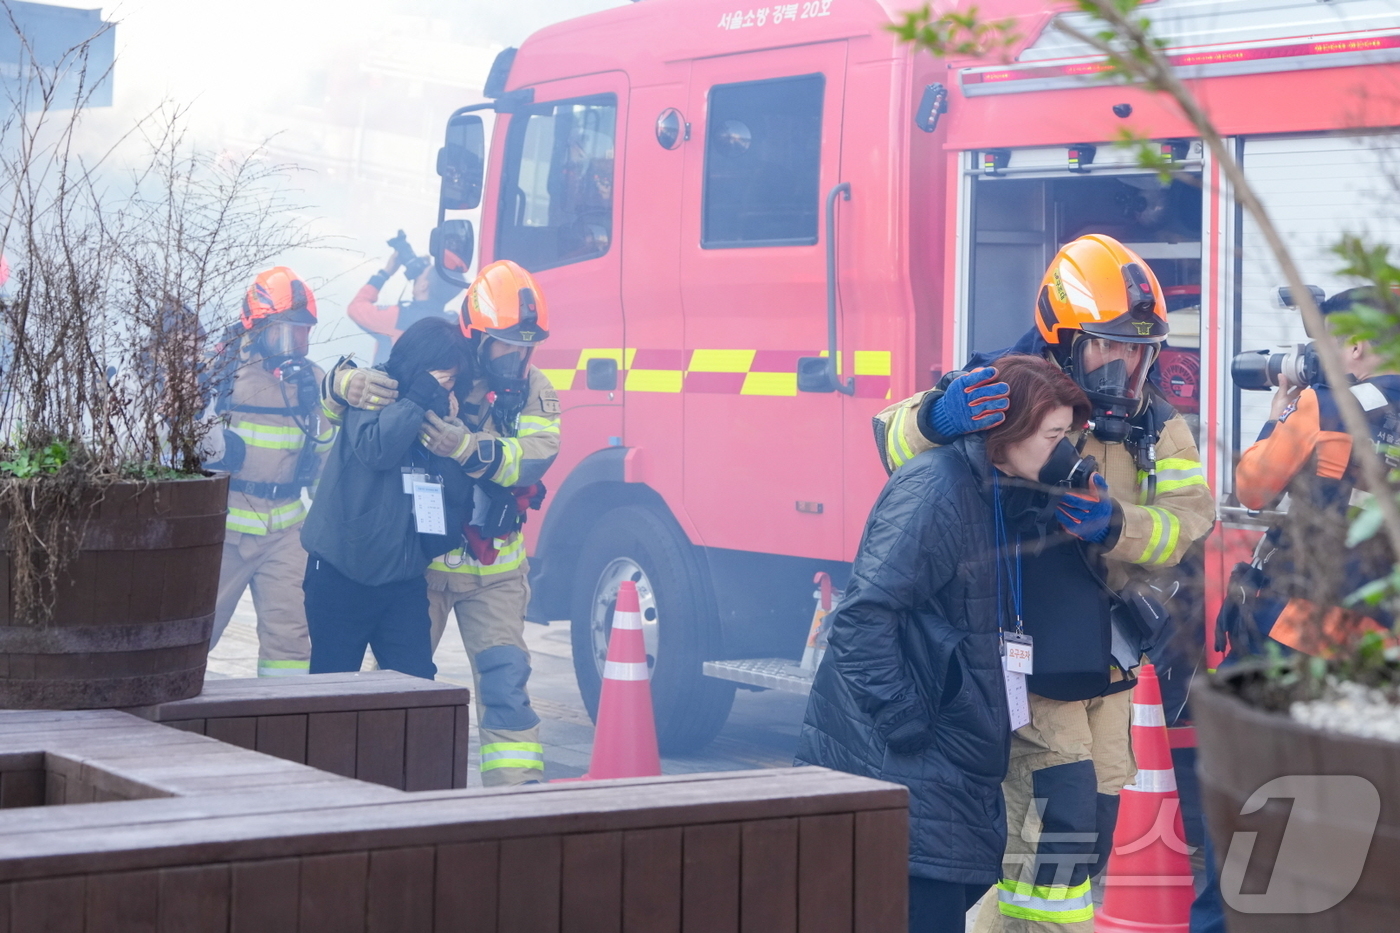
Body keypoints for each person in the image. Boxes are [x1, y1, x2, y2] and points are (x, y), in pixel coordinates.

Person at [875, 235, 1215, 933]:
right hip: (1028, 655)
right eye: (1108, 345)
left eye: (1138, 348)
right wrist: (939, 417)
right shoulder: (1008, 386)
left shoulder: (1154, 423)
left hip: (1110, 661)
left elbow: (1189, 520)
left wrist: (1117, 523)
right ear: (1063, 336)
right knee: (1056, 818)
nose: (1126, 364)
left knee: (1096, 820)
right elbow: (895, 441)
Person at [797, 355, 1093, 933]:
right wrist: (908, 720)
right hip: (907, 765)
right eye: (1054, 436)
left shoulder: (994, 493)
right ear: (1005, 432)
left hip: (948, 770)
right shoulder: (936, 490)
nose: (1065, 452)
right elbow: (862, 619)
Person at [327, 259, 561, 785]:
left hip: (495, 569)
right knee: (398, 686)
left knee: (506, 682)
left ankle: (518, 806)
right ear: (477, 336)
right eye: (506, 343)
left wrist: (467, 447)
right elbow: (366, 395)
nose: (519, 356)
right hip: (424, 567)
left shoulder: (534, 388)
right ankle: (376, 792)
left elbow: (538, 454)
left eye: (527, 345)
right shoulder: (441, 363)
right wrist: (343, 381)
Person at [1224, 286, 1400, 656]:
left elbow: (1254, 490)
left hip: (1304, 628)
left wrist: (1275, 420)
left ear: (1356, 346)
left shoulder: (1328, 406)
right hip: (1384, 643)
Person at [299, 316, 474, 679]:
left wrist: (451, 438)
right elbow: (377, 449)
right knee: (333, 687)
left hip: (402, 579)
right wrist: (418, 397)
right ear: (419, 368)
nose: (447, 388)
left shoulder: (434, 409)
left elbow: (455, 495)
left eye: (452, 381)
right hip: (341, 573)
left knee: (415, 687)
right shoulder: (373, 389)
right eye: (443, 379)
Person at [204, 267, 333, 678]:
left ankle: (286, 724)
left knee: (290, 640)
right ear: (254, 327)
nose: (293, 345)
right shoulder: (218, 377)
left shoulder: (313, 382)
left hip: (287, 533)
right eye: (282, 333)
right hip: (225, 530)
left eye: (300, 333)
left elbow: (325, 458)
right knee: (197, 630)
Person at [348, 232, 463, 364]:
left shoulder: (399, 317)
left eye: (422, 275)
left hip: (389, 383)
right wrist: (431, 274)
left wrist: (385, 273)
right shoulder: (452, 322)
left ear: (423, 286)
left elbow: (356, 308)